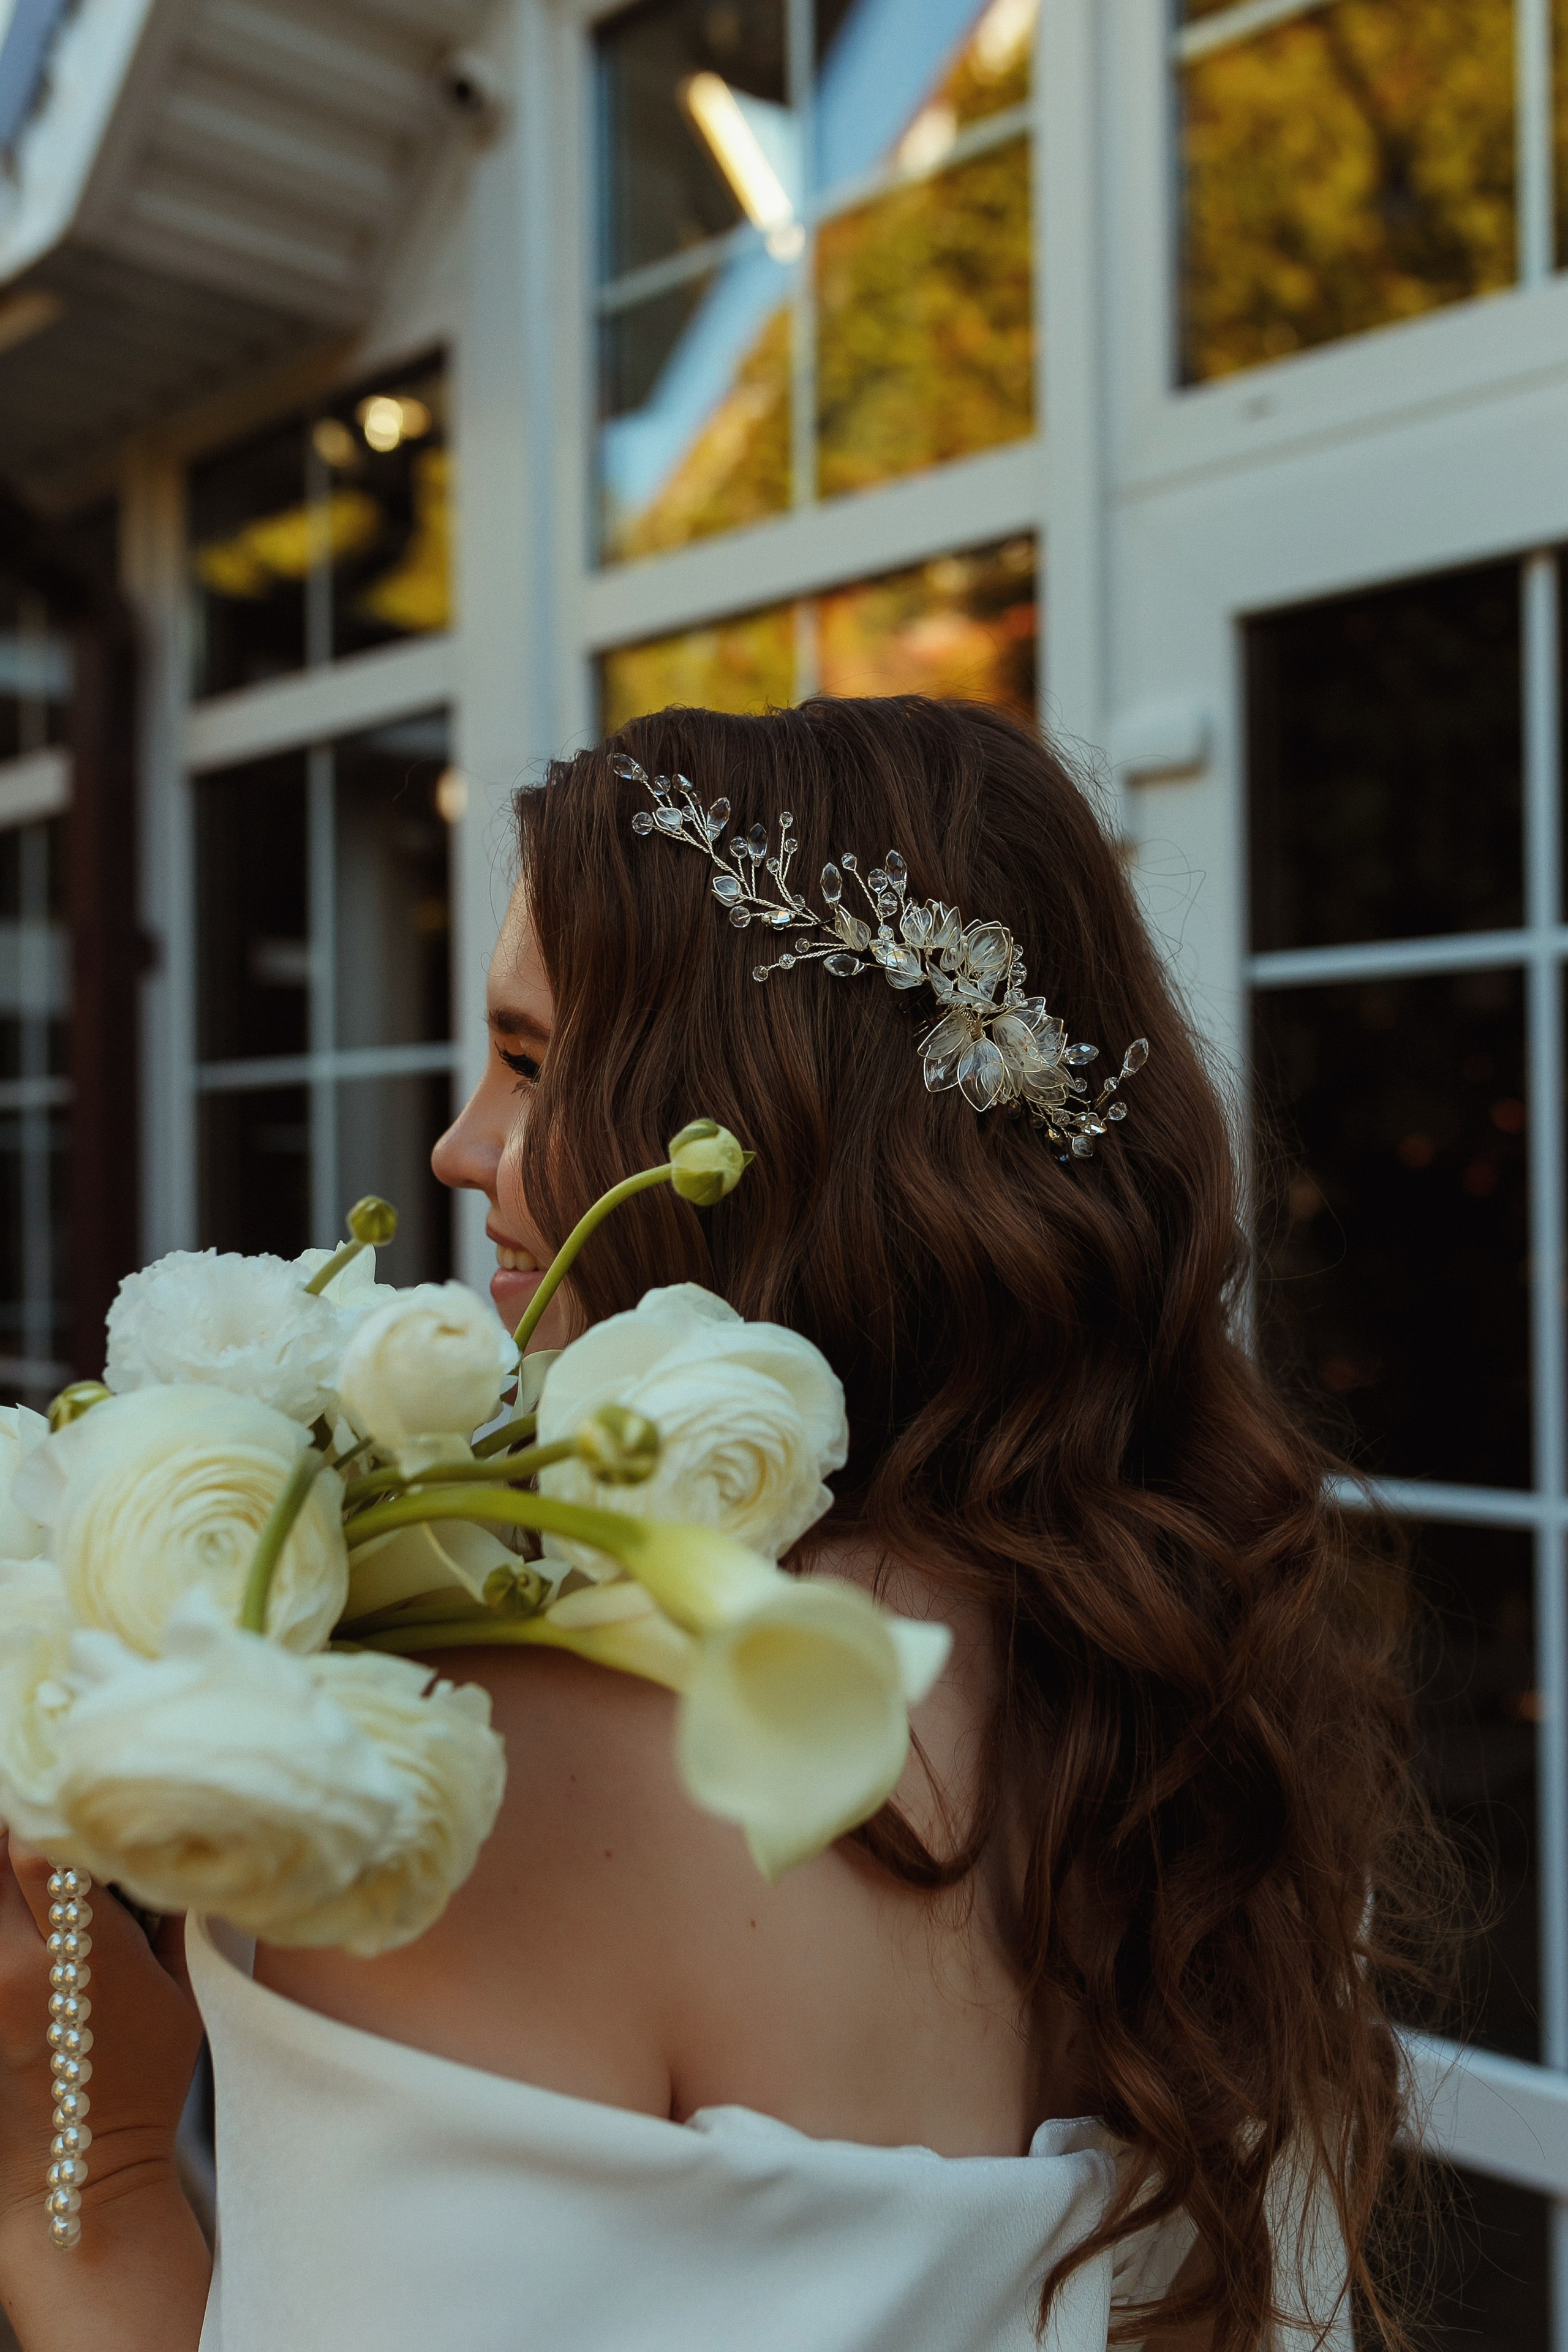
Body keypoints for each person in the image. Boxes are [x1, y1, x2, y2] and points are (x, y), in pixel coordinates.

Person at [0, 696, 1428, 2350]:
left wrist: (85, 2183)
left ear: (757, 1131)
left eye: (531, 1062)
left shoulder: (486, 1784)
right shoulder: (1212, 1693)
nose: (462, 1147)